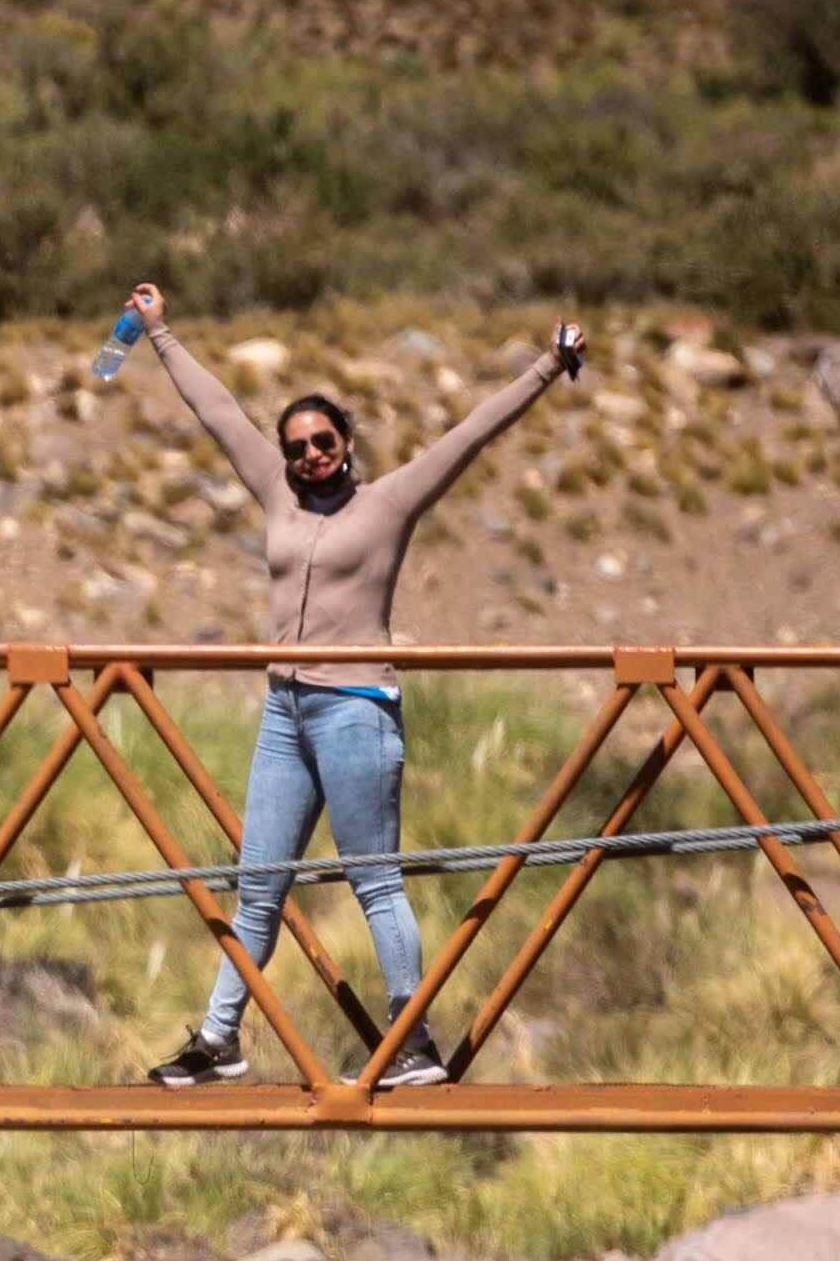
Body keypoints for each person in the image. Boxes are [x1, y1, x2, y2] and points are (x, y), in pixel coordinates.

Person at [130, 281, 585, 1089]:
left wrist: (549, 364)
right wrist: (159, 332)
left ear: (347, 440)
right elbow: (218, 413)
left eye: (323, 440)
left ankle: (413, 1040)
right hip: (284, 711)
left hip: (355, 712)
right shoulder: (275, 492)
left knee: (374, 879)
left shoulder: (389, 503)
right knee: (258, 884)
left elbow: (471, 433)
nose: (310, 455)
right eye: (298, 445)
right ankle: (220, 1037)